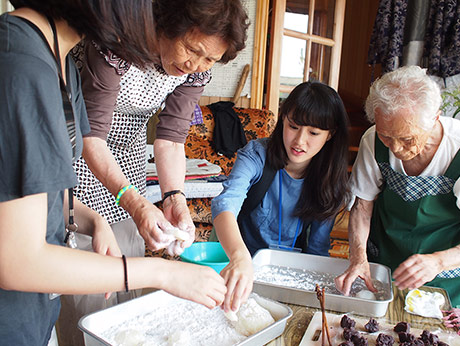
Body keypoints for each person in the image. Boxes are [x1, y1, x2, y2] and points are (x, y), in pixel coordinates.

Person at [0, 1, 227, 344]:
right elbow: (19, 260)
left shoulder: (58, 61)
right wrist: (162, 272)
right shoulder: (24, 66)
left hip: (32, 312)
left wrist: (95, 220)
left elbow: (38, 196)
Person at [58, 1, 249, 344]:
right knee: (88, 273)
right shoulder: (116, 41)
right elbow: (91, 136)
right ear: (168, 24)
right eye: (192, 50)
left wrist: (173, 196)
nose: (196, 66)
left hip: (127, 152)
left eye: (210, 60)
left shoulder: (196, 70)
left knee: (128, 264)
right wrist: (132, 200)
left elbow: (172, 138)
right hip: (78, 148)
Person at [211, 81, 351, 314]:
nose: (299, 141)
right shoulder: (256, 155)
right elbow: (226, 202)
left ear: (330, 135)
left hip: (289, 279)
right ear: (283, 119)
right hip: (240, 269)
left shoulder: (330, 181)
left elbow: (317, 250)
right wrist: (239, 257)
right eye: (293, 126)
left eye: (314, 133)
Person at [335, 66, 460, 307]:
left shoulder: (457, 149)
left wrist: (438, 262)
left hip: (446, 272)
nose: (396, 149)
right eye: (386, 137)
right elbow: (362, 205)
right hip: (386, 261)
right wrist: (358, 257)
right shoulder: (372, 139)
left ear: (435, 118)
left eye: (407, 139)